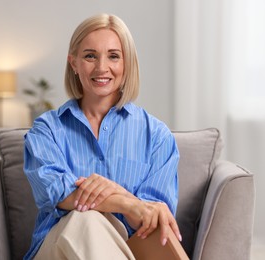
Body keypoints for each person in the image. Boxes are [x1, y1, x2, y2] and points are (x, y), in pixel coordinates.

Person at [23, 13, 181, 260]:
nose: (101, 67)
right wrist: (128, 204)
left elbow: (152, 218)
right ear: (73, 63)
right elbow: (56, 192)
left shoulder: (157, 136)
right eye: (90, 56)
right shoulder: (47, 129)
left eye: (114, 56)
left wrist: (118, 193)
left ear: (127, 64)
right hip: (55, 250)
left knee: (88, 217)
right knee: (83, 219)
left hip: (126, 249)